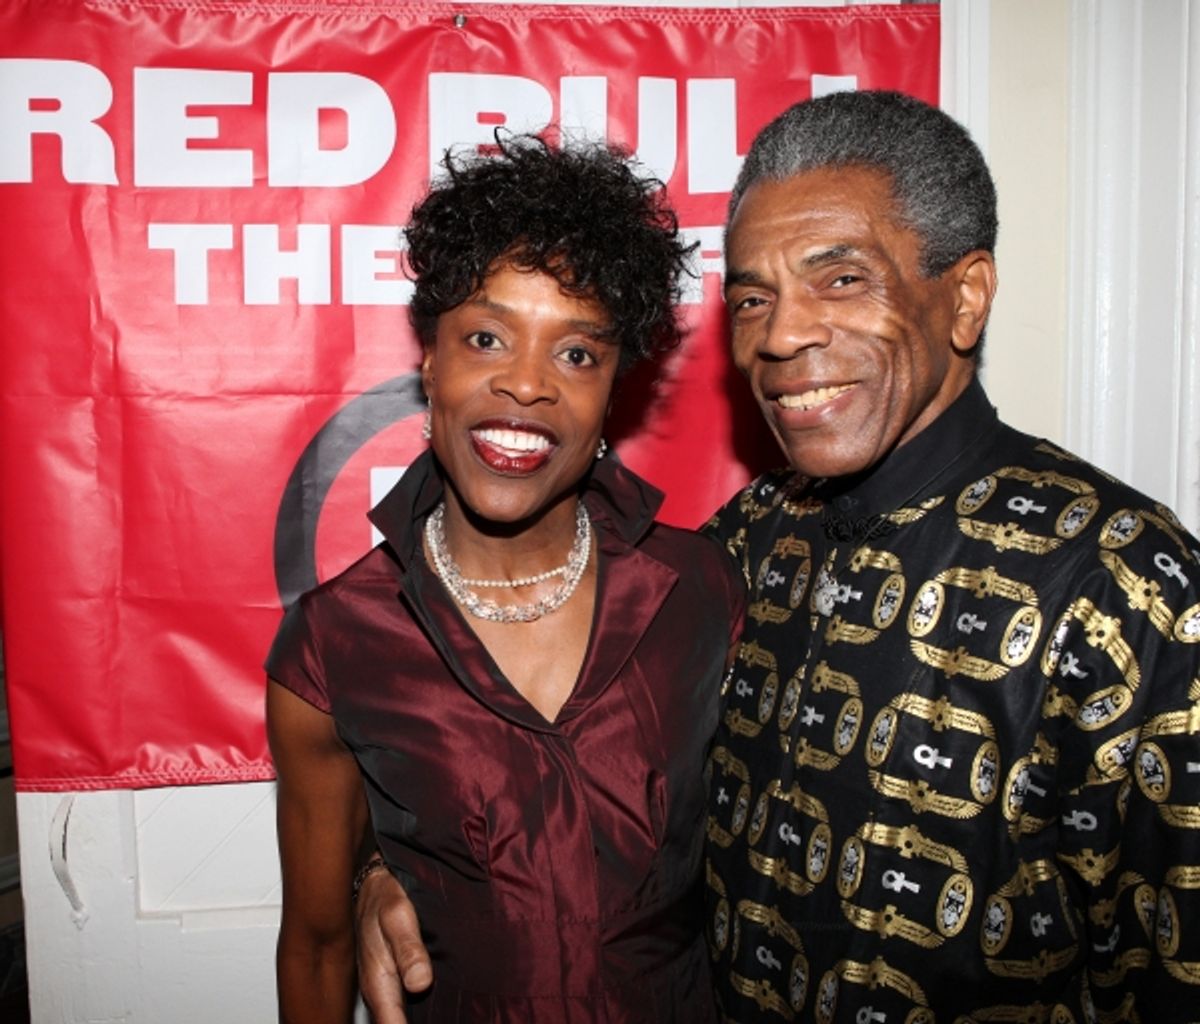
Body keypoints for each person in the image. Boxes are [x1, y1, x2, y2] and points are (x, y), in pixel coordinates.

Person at [356, 91, 1200, 1020]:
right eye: (753, 298)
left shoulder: (1129, 589)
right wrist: (392, 871)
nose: (782, 336)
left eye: (841, 280)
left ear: (964, 299)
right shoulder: (743, 545)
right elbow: (568, 795)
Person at [266, 134, 745, 1023]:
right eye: (486, 337)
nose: (525, 384)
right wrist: (377, 869)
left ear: (613, 392)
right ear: (431, 364)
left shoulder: (706, 592)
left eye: (576, 354)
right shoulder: (333, 644)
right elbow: (319, 944)